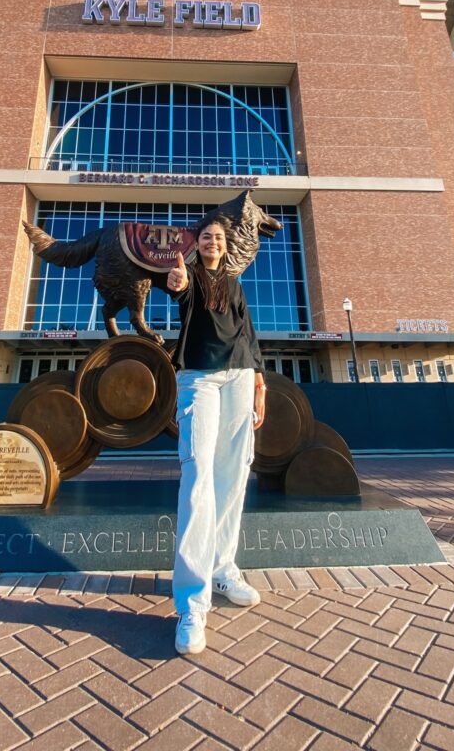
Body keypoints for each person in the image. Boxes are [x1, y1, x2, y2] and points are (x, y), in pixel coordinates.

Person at [166, 212, 266, 656]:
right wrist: (176, 281)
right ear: (197, 244)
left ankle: (224, 567)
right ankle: (192, 603)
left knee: (234, 473)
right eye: (205, 236)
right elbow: (178, 290)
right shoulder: (188, 277)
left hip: (240, 377)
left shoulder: (235, 285)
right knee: (198, 476)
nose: (212, 241)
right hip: (200, 380)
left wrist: (260, 384)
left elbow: (249, 335)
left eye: (218, 237)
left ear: (225, 245)